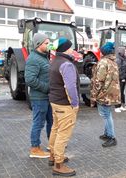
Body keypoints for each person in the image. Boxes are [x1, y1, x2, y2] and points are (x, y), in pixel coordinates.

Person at [48, 37, 79, 176]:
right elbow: (70, 87)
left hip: (55, 102)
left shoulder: (55, 61)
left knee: (55, 129)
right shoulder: (66, 64)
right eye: (71, 47)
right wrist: (75, 103)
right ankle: (58, 165)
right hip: (64, 104)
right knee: (63, 133)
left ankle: (53, 156)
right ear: (66, 49)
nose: (72, 50)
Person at [25, 33, 52, 159]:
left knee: (51, 121)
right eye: (46, 43)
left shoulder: (43, 57)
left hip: (47, 97)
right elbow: (30, 79)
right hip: (39, 98)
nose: (49, 45)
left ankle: (52, 144)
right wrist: (47, 88)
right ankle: (35, 148)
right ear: (38, 44)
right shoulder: (33, 59)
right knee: (39, 123)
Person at [90, 42, 121, 147]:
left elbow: (99, 80)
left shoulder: (103, 62)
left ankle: (112, 137)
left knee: (106, 115)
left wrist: (94, 95)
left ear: (103, 52)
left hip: (104, 94)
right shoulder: (113, 61)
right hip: (111, 93)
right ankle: (107, 134)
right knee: (107, 114)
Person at [115, 47, 126, 112]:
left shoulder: (124, 58)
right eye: (125, 51)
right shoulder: (118, 60)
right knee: (119, 92)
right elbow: (119, 70)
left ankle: (120, 105)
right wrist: (122, 78)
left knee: (121, 92)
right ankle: (117, 107)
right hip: (121, 78)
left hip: (123, 78)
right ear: (122, 52)